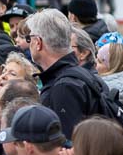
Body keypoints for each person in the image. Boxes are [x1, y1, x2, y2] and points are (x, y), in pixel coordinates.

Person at [25, 9, 102, 140]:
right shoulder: (80, 74)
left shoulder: (65, 87)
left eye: (29, 38)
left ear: (38, 42)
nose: (29, 44)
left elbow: (67, 142)